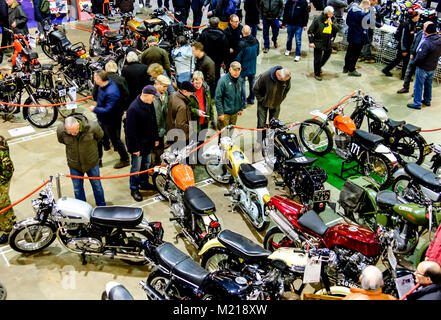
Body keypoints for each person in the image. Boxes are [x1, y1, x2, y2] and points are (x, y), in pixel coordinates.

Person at [57, 115, 106, 207]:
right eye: (70, 132)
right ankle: (82, 208)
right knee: (77, 189)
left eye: (74, 131)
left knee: (97, 186)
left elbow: (100, 136)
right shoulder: (61, 130)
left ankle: (101, 206)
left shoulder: (92, 126)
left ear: (78, 125)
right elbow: (61, 140)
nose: (73, 134)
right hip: (74, 165)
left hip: (91, 163)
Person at [89, 70, 130, 169]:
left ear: (100, 79)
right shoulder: (102, 86)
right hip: (102, 118)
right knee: (98, 138)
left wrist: (95, 109)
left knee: (115, 140)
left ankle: (125, 159)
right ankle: (98, 160)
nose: (94, 79)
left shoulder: (111, 92)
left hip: (111, 120)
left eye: (95, 77)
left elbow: (108, 109)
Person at [125, 85, 160, 202]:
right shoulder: (133, 109)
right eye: (153, 97)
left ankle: (144, 183)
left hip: (148, 143)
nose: (154, 99)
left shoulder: (150, 104)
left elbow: (154, 121)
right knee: (136, 168)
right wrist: (134, 148)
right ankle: (134, 188)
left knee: (145, 165)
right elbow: (130, 132)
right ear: (147, 95)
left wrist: (155, 138)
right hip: (138, 145)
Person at [407, 23, 441, 109]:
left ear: (427, 32)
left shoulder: (426, 42)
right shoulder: (439, 40)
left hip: (423, 68)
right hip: (432, 67)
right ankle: (427, 100)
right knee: (428, 85)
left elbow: (420, 57)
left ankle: (417, 103)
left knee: (418, 85)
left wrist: (414, 63)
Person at [382, 9, 420, 79]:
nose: (419, 17)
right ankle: (403, 76)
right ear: (414, 16)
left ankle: (387, 70)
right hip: (404, 47)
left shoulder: (412, 24)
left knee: (400, 60)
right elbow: (403, 38)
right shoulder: (406, 25)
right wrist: (403, 49)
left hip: (407, 47)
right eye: (418, 16)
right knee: (403, 61)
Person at [253, 66, 291, 133]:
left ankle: (271, 142)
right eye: (282, 80)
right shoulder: (265, 76)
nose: (284, 82)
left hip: (276, 103)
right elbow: (256, 88)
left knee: (274, 125)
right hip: (263, 104)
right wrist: (261, 100)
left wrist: (281, 98)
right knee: (261, 125)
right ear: (278, 75)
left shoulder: (286, 78)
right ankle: (260, 141)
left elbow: (287, 89)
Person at [307, 6, 340, 81]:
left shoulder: (332, 19)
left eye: (332, 14)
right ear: (325, 13)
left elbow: (337, 29)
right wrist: (311, 42)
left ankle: (319, 66)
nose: (331, 15)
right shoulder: (317, 20)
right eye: (330, 14)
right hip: (318, 41)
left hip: (328, 41)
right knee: (317, 58)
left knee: (328, 53)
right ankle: (317, 73)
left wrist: (331, 24)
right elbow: (310, 31)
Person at [397, 21, 429, 94]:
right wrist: (412, 52)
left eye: (426, 28)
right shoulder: (420, 33)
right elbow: (414, 42)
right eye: (424, 27)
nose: (424, 29)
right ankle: (405, 87)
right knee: (408, 73)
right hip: (414, 57)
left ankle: (416, 92)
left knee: (419, 77)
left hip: (422, 60)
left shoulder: (430, 37)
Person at [197, 17, 230, 87]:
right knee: (217, 74)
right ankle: (215, 90)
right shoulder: (222, 35)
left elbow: (199, 45)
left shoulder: (204, 33)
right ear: (218, 24)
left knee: (205, 74)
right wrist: (224, 60)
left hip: (206, 58)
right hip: (218, 60)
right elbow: (226, 49)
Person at [215, 61, 245, 131]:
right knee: (223, 136)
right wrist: (220, 113)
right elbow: (218, 98)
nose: (236, 72)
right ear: (230, 70)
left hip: (234, 113)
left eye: (238, 70)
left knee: (231, 132)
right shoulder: (223, 81)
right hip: (225, 113)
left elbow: (240, 95)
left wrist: (240, 108)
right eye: (234, 70)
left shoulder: (240, 80)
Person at [343, 0, 370, 77]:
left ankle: (346, 67)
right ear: (365, 5)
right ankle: (351, 70)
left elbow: (347, 21)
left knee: (349, 52)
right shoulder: (362, 14)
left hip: (351, 34)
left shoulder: (351, 10)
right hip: (359, 36)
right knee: (356, 54)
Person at [235, 25, 259, 105]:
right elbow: (257, 53)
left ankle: (243, 102)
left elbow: (238, 57)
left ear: (242, 32)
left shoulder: (241, 43)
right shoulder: (256, 41)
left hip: (243, 67)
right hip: (252, 67)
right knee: (252, 83)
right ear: (250, 32)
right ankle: (252, 99)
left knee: (242, 85)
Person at [151, 75, 171, 167]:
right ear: (157, 84)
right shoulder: (150, 95)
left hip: (162, 128)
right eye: (164, 86)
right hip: (153, 129)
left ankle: (158, 164)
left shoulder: (165, 93)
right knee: (153, 151)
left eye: (167, 86)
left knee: (160, 150)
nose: (166, 89)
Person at [189, 71, 214, 144]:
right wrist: (196, 111)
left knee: (201, 142)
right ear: (193, 81)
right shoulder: (189, 91)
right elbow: (187, 108)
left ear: (202, 81)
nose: (198, 85)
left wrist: (211, 117)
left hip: (204, 120)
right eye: (196, 83)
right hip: (193, 121)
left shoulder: (206, 89)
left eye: (199, 83)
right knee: (193, 142)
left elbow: (209, 104)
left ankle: (199, 155)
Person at [0, 135, 16, 244]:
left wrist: (2, 181)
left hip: (2, 177)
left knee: (3, 203)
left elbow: (7, 166)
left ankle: (8, 229)